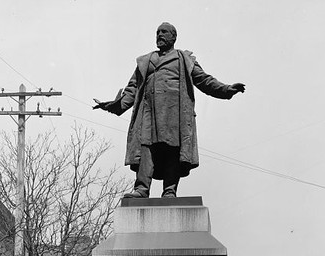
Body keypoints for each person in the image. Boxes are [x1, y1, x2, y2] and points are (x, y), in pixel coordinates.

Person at [93, 22, 245, 198]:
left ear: (174, 37)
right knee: (145, 148)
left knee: (173, 149)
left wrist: (226, 90)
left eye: (164, 32)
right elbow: (132, 89)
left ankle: (170, 191)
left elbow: (204, 80)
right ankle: (142, 189)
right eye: (157, 32)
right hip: (148, 111)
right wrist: (113, 105)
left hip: (174, 112)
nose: (160, 35)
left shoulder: (184, 60)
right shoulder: (145, 61)